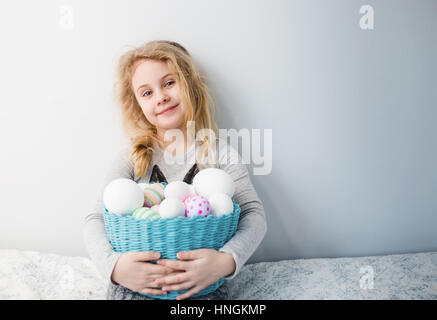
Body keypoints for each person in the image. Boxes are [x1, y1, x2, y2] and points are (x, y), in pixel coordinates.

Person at [83, 40, 267, 300]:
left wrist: (225, 262)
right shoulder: (132, 156)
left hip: (200, 284)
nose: (161, 97)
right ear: (138, 106)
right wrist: (115, 267)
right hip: (137, 285)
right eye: (146, 93)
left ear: (190, 85)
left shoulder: (218, 152)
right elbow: (95, 219)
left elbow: (253, 214)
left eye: (169, 83)